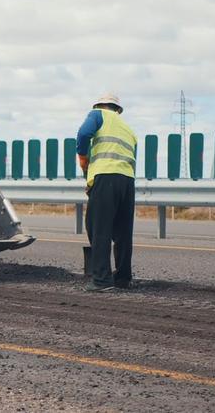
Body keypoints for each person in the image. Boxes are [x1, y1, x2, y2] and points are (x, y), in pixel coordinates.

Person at [76, 93, 137, 292]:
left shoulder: (97, 114)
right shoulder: (128, 129)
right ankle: (123, 278)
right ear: (118, 109)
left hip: (106, 176)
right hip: (127, 180)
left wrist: (83, 158)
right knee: (123, 232)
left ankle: (101, 280)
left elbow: (84, 134)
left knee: (98, 227)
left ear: (100, 105)